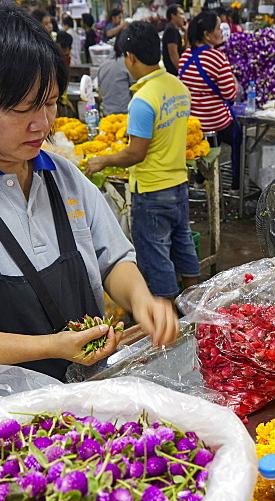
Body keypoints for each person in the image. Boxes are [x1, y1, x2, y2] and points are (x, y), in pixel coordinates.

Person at [0, 4, 178, 381]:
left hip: (89, 401)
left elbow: (113, 260)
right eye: (22, 109)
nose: (43, 124)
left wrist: (141, 300)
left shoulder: (62, 176)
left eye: (49, 102)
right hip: (1, 422)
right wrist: (48, 346)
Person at [85, 23, 200, 298]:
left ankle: (166, 316)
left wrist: (102, 161)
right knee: (183, 243)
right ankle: (196, 304)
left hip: (151, 190)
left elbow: (136, 153)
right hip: (179, 184)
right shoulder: (178, 87)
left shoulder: (143, 100)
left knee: (155, 256)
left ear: (130, 57)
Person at [178, 11, 240, 189]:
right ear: (207, 35)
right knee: (238, 138)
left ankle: (200, 178)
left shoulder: (185, 57)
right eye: (219, 28)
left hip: (194, 123)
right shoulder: (217, 58)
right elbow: (231, 94)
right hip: (215, 121)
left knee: (209, 141)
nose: (221, 32)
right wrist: (234, 81)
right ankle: (236, 185)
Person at [97, 41, 135, 115]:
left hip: (107, 114)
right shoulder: (126, 64)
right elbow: (135, 92)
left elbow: (100, 95)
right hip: (125, 114)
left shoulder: (102, 66)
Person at [162, 4, 186, 75]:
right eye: (181, 14)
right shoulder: (171, 30)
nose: (183, 17)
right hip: (174, 72)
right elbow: (173, 53)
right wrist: (181, 72)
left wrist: (186, 32)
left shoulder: (174, 29)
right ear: (173, 16)